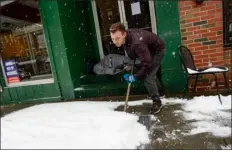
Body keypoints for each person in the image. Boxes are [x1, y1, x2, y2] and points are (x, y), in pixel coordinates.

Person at [109, 22, 166, 114]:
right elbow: (131, 50)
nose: (115, 42)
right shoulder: (126, 38)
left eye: (117, 38)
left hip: (157, 50)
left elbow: (147, 64)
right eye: (113, 39)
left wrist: (135, 77)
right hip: (147, 49)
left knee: (148, 77)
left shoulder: (137, 43)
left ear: (124, 34)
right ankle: (160, 92)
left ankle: (157, 102)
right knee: (149, 73)